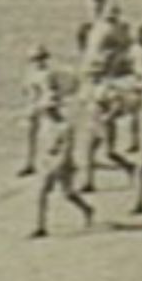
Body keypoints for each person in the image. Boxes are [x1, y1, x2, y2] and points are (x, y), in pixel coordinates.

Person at [30, 96, 94, 239]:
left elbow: (67, 148)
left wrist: (59, 164)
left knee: (67, 193)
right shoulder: (46, 124)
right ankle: (40, 226)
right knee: (42, 192)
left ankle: (87, 209)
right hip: (48, 161)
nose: (48, 112)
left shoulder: (64, 127)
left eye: (50, 110)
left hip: (62, 163)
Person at [18, 45, 58, 177]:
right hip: (32, 107)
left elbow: (49, 93)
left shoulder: (46, 75)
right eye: (35, 59)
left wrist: (45, 105)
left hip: (42, 108)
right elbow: (26, 91)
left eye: (40, 59)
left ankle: (50, 164)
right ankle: (29, 163)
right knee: (30, 137)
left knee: (48, 137)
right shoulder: (30, 74)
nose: (38, 62)